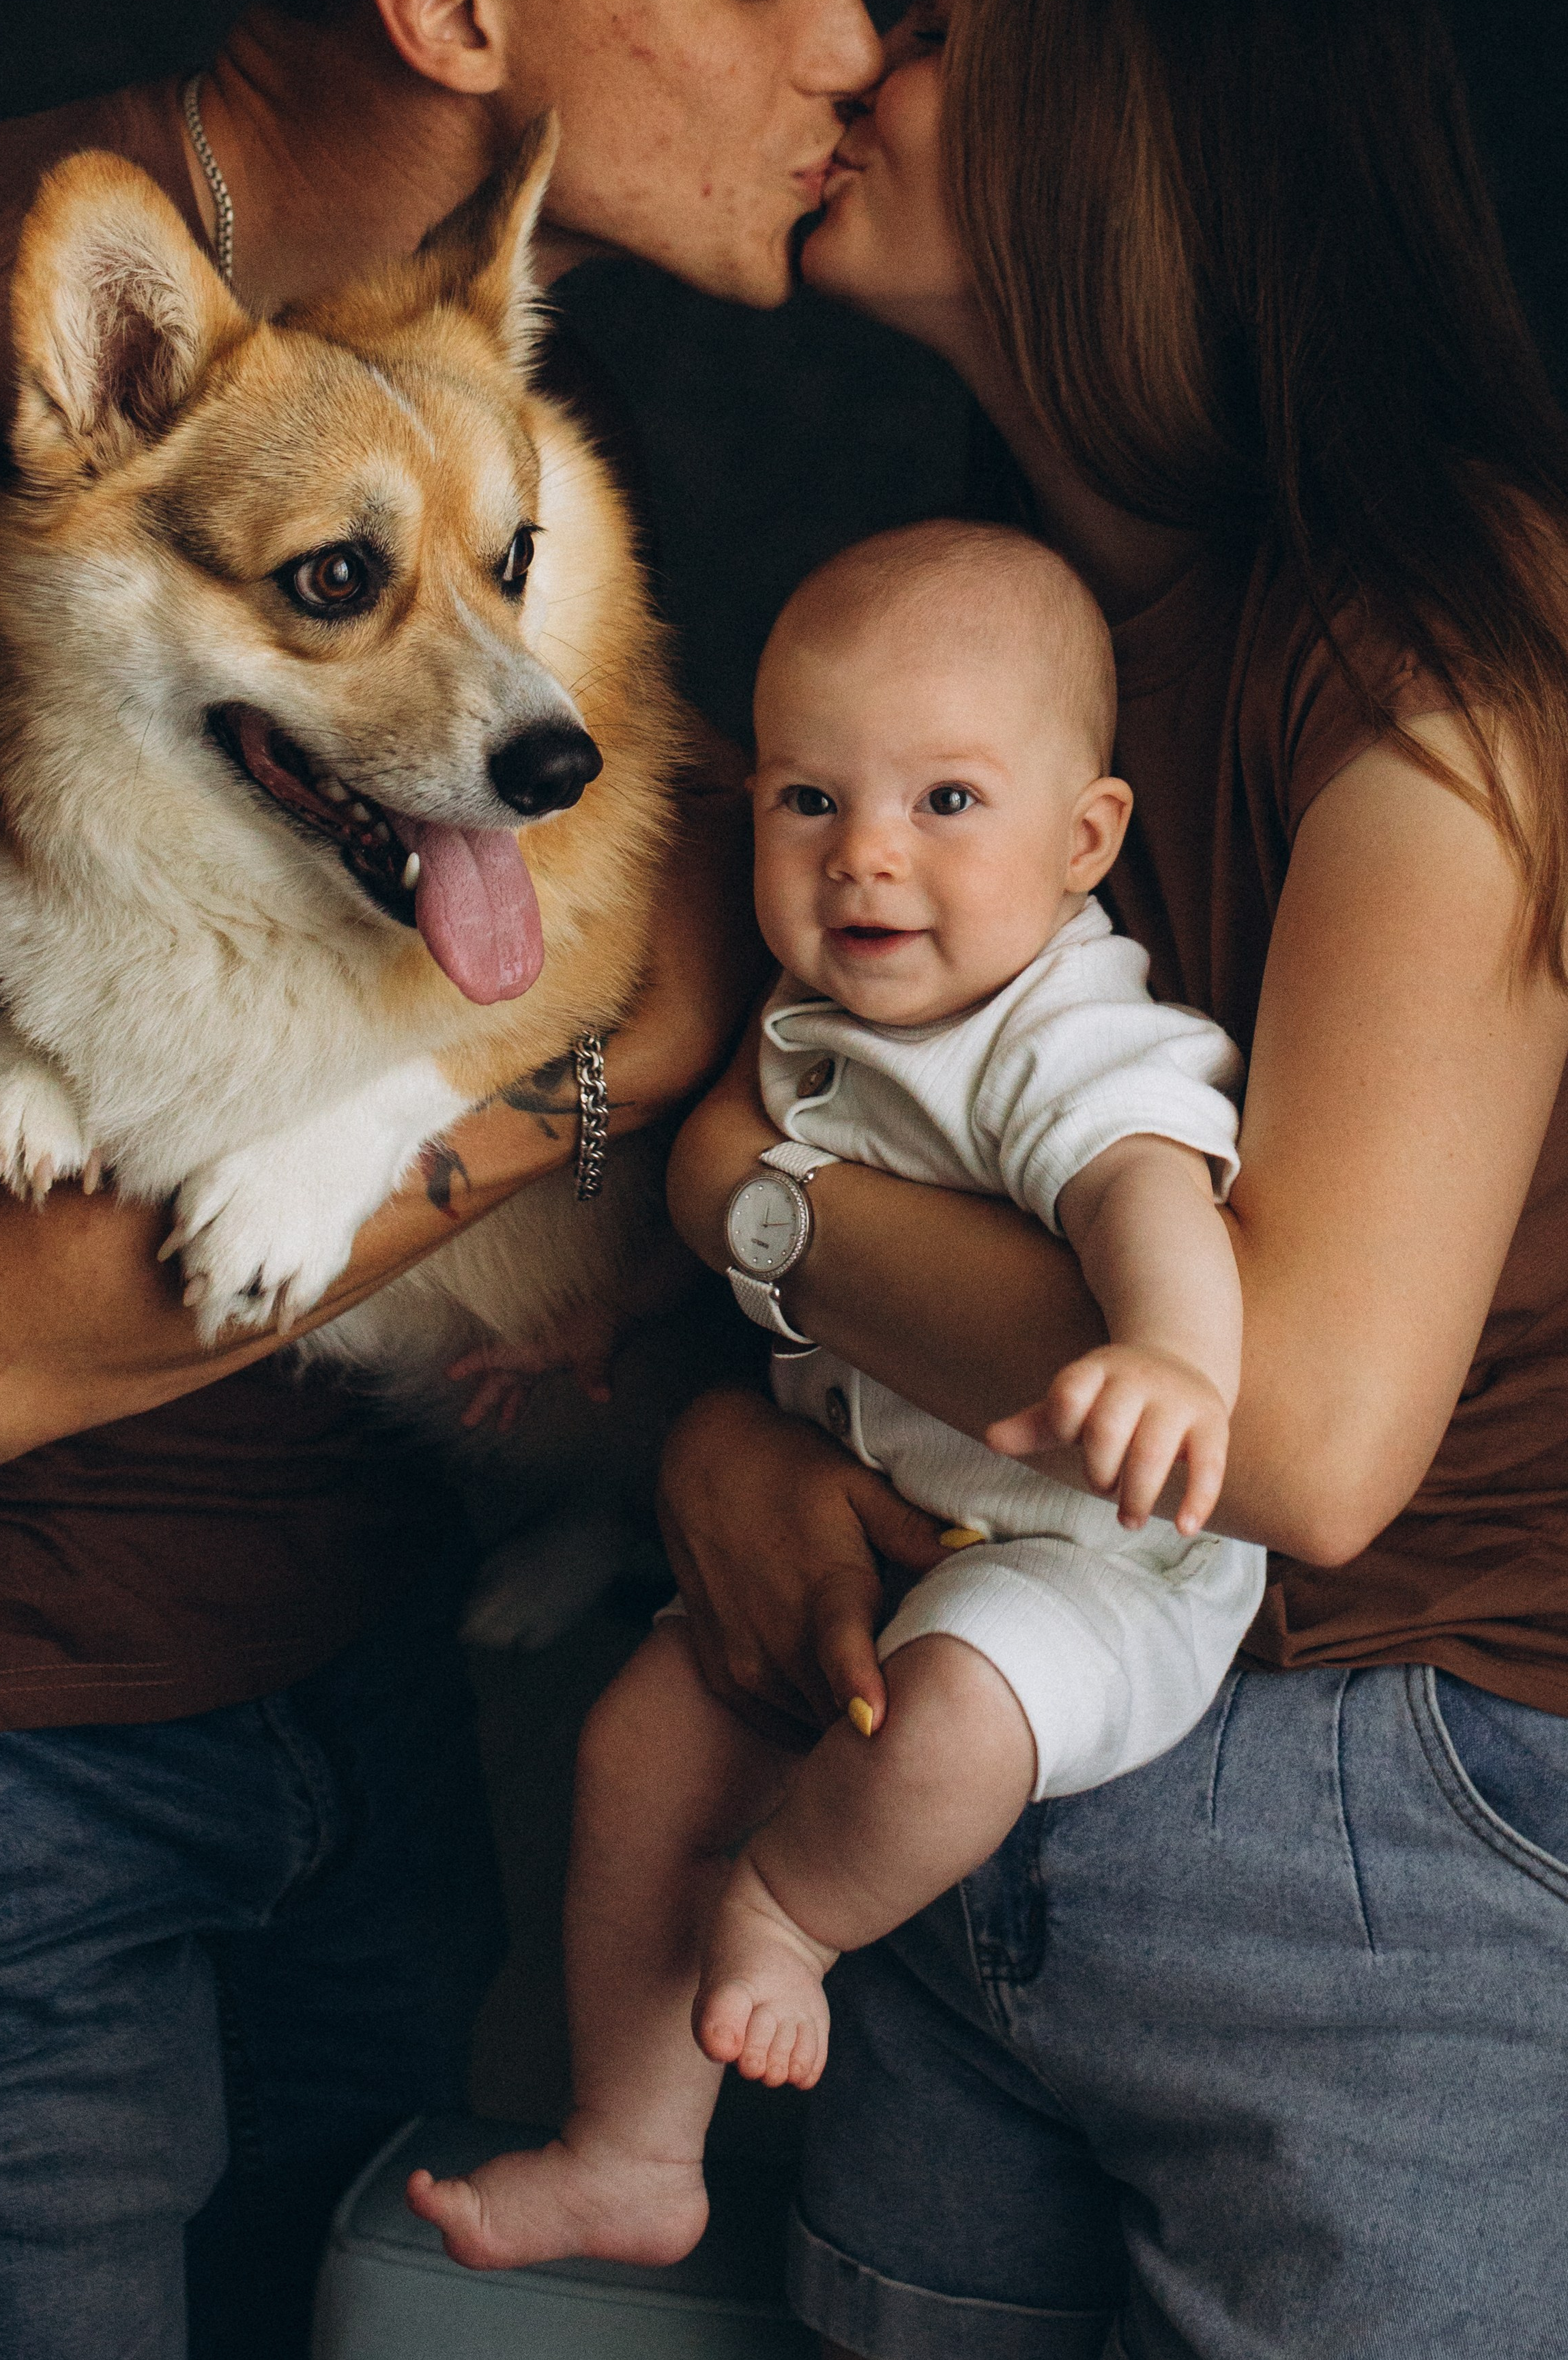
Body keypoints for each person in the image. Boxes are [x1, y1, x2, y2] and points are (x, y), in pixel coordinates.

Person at [0, 0, 877, 2356]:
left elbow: (665, 931)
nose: (856, 47)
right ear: (454, 12)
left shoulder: (488, 391)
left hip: (372, 1668)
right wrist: (558, 1094)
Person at [658, 0, 1568, 2358]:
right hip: (972, 1756)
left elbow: (1297, 1445)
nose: (848, 57)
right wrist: (726, 1442)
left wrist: (740, 1200)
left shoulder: (1443, 649)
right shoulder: (958, 665)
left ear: (1142, 133)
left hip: (1378, 1828)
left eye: (935, 22)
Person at [409, 514, 1262, 2272]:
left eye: (947, 804)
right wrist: (606, 1331)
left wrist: (1173, 1354)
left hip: (1087, 1567)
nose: (867, 858)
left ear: (1086, 834)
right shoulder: (815, 1021)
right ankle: (632, 2148)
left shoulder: (1058, 1026)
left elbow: (1142, 1187)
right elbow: (719, 1231)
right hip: (877, 1531)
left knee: (945, 1724)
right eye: (811, 802)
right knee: (642, 1735)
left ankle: (787, 1918)